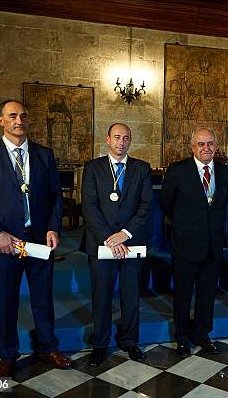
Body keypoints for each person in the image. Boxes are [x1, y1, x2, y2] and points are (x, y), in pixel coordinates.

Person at [0, 100, 71, 377]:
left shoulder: (44, 155)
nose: (19, 120)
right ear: (1, 121)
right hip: (4, 244)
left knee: (43, 300)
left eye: (23, 115)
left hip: (38, 241)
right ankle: (8, 356)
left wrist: (53, 227)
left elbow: (55, 197)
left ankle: (47, 348)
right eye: (12, 116)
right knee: (6, 301)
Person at [81, 123, 153, 366]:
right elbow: (89, 207)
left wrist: (125, 233)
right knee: (101, 296)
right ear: (108, 139)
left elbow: (146, 205)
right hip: (102, 244)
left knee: (131, 295)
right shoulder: (92, 168)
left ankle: (130, 341)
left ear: (130, 141)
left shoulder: (141, 168)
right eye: (117, 137)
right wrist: (110, 239)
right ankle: (100, 344)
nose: (121, 142)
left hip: (131, 242)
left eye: (126, 138)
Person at [160, 127, 228, 357]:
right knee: (182, 293)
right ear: (193, 147)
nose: (206, 148)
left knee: (207, 293)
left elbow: (222, 206)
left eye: (210, 143)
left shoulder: (222, 172)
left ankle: (202, 334)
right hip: (185, 244)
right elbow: (166, 204)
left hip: (213, 245)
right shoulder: (178, 171)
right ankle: (182, 337)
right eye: (201, 144)